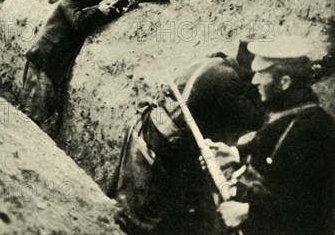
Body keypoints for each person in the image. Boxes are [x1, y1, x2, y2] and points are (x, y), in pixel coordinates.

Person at [107, 43, 264, 235]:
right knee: (148, 215)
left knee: (135, 202)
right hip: (163, 144)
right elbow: (255, 118)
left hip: (150, 128)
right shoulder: (230, 81)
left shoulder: (215, 62)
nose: (259, 79)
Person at [208, 37, 335, 235]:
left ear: (284, 82)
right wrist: (234, 153)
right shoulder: (287, 111)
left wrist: (248, 211)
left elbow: (310, 207)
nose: (253, 80)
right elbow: (266, 140)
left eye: (261, 74)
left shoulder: (314, 130)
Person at [21, 0, 122, 135]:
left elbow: (90, 21)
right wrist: (98, 10)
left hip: (53, 59)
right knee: (34, 103)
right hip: (44, 54)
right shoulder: (71, 0)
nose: (101, 0)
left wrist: (116, 11)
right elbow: (78, 22)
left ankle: (35, 133)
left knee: (43, 101)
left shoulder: (84, 7)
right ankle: (29, 136)